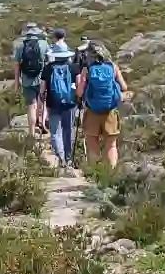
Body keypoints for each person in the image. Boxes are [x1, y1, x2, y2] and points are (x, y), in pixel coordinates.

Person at [75, 40, 130, 169]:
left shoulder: (87, 69)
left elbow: (80, 92)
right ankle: (110, 173)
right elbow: (124, 87)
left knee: (92, 143)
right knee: (111, 145)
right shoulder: (112, 66)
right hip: (110, 111)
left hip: (92, 111)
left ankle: (95, 173)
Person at [42, 27, 80, 168]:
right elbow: (78, 85)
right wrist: (78, 98)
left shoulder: (48, 68)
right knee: (68, 129)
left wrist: (42, 98)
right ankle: (69, 157)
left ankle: (60, 157)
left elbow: (42, 88)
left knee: (55, 131)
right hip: (70, 102)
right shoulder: (74, 67)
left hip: (53, 102)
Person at [14, 24, 51, 135]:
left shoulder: (20, 46)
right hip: (41, 79)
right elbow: (49, 62)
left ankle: (31, 132)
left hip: (26, 79)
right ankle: (42, 123)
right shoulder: (44, 44)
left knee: (31, 105)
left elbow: (16, 65)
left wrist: (17, 82)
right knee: (43, 101)